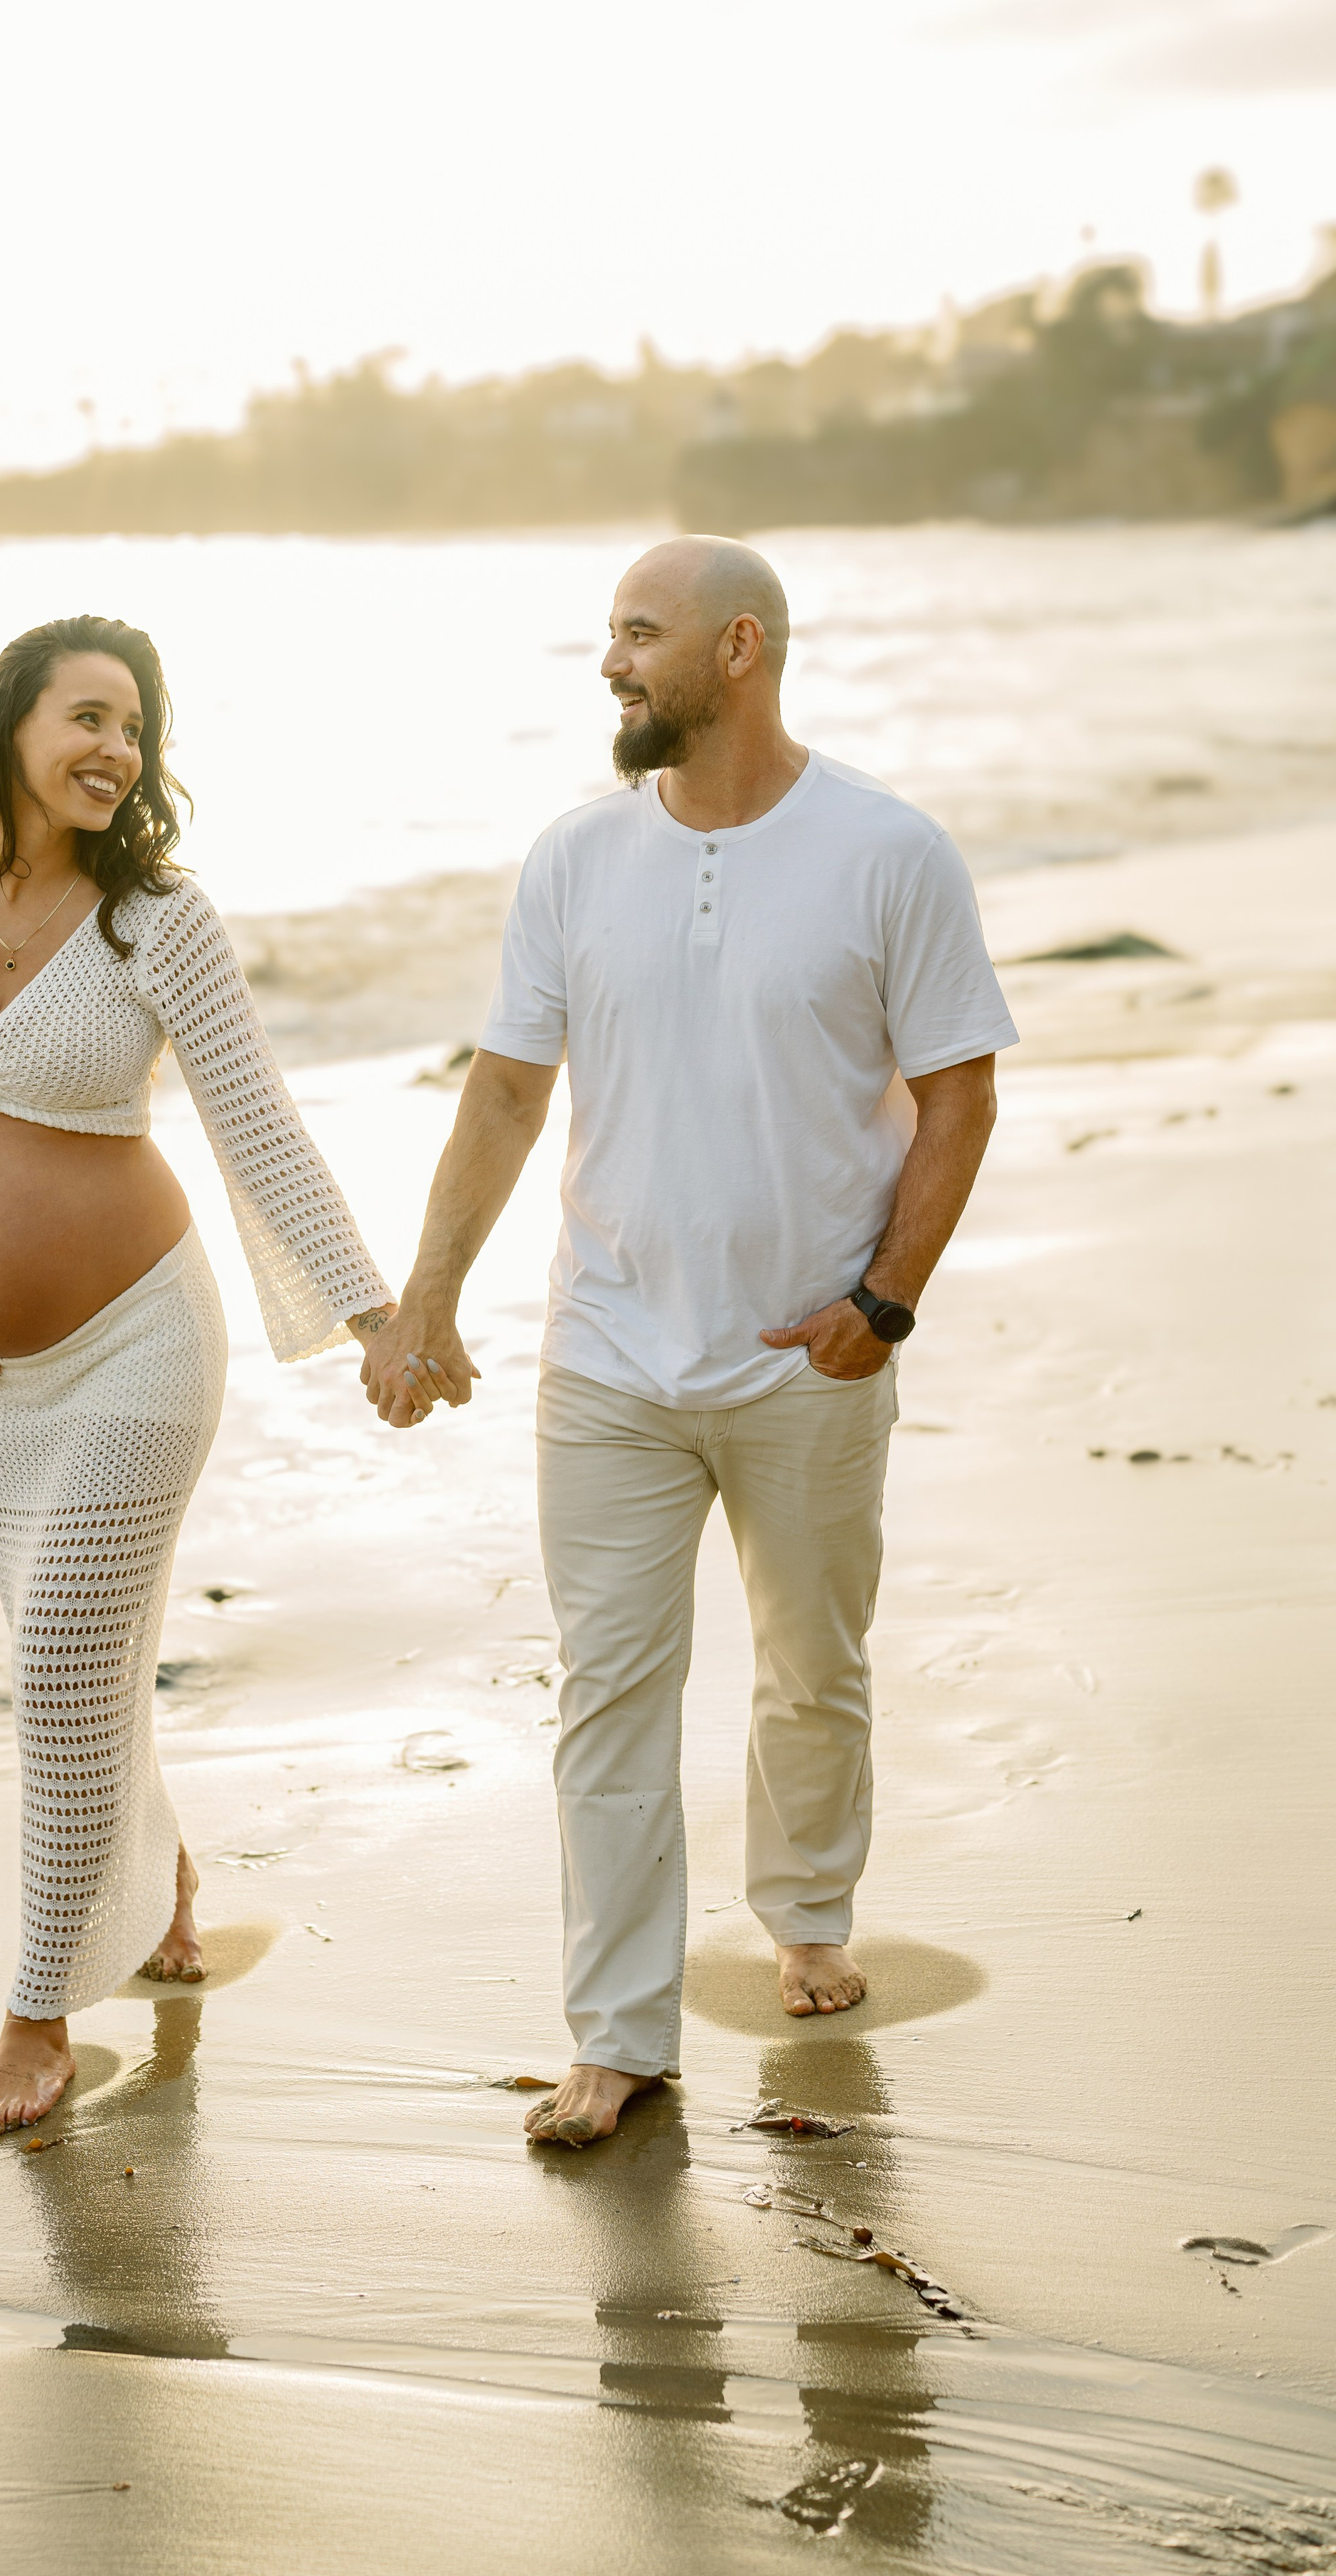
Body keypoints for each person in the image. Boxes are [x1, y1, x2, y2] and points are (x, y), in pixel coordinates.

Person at [360, 538, 1017, 2148]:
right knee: (608, 1694)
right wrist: (429, 1292)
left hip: (808, 1354)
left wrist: (882, 1303)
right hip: (603, 1358)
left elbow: (958, 1089)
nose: (609, 662)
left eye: (637, 635)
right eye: (607, 633)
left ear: (738, 649)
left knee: (810, 1660)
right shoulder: (573, 859)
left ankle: (804, 1913)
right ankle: (618, 2033)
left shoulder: (886, 852)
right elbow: (509, 1088)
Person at [0, 615, 392, 2136]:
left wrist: (372, 1316)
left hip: (134, 1349)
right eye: (88, 715)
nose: (115, 749)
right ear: (10, 723)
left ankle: (35, 2022)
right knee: (71, 1656)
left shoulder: (155, 917)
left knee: (56, 1674)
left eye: (136, 727)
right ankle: (157, 1882)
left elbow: (258, 1125)